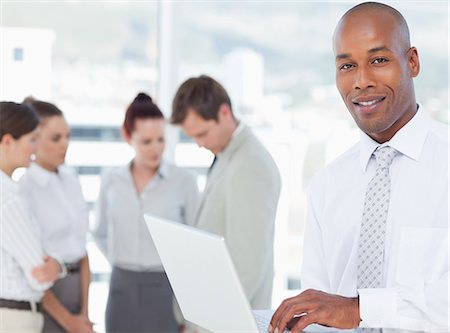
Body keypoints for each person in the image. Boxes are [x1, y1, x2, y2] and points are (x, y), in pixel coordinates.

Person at [269, 2, 449, 333]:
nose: (361, 81)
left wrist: (361, 310)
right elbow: (319, 311)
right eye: (347, 65)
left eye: (378, 60)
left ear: (412, 62)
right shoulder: (327, 184)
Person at [171, 75, 281, 309]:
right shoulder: (227, 154)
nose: (199, 144)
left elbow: (248, 266)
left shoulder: (250, 164)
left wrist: (207, 323)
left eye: (202, 134)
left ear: (224, 113)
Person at [93, 93, 199, 333]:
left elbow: (195, 245)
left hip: (165, 290)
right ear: (127, 137)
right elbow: (99, 233)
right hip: (121, 288)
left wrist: (191, 317)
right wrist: (122, 258)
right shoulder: (111, 180)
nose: (156, 149)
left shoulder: (184, 181)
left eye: (161, 140)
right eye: (147, 141)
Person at [19, 98, 94, 333]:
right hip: (48, 299)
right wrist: (69, 322)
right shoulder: (24, 190)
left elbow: (82, 251)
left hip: (78, 292)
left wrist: (84, 313)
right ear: (34, 138)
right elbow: (32, 267)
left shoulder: (72, 182)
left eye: (68, 136)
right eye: (55, 138)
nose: (65, 144)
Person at [0, 101, 64, 333]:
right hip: (13, 320)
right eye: (32, 139)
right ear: (8, 141)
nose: (36, 149)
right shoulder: (8, 201)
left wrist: (56, 264)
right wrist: (56, 265)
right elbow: (41, 276)